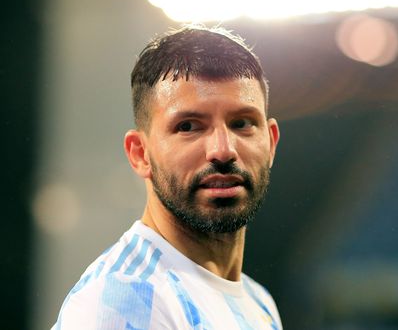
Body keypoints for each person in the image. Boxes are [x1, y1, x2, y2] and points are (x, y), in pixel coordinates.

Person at [52, 26, 282, 329]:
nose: (223, 150)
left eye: (242, 123)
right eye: (188, 126)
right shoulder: (121, 301)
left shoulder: (258, 301)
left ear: (271, 142)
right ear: (140, 154)